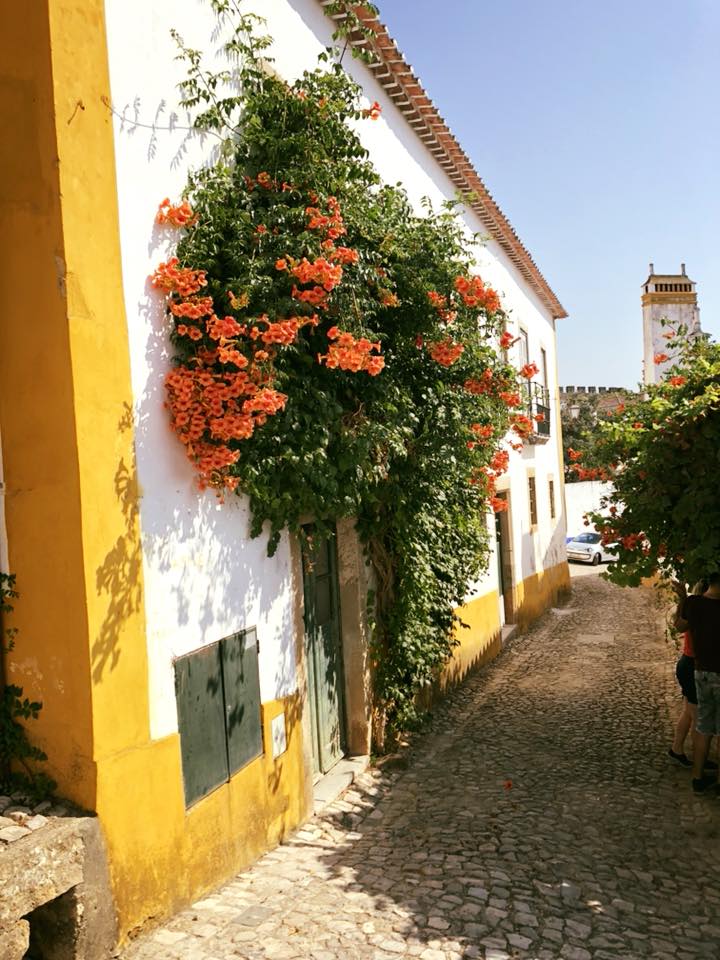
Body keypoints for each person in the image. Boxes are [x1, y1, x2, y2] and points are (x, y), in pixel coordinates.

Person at [675, 572, 720, 793]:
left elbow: (679, 625)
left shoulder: (694, 604)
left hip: (700, 670)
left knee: (702, 726)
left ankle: (697, 777)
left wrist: (683, 598)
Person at [669, 580, 714, 768]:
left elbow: (678, 622)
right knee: (698, 719)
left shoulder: (693, 610)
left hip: (686, 664)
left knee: (689, 712)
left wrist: (682, 598)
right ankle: (699, 762)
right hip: (692, 666)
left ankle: (676, 750)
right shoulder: (701, 611)